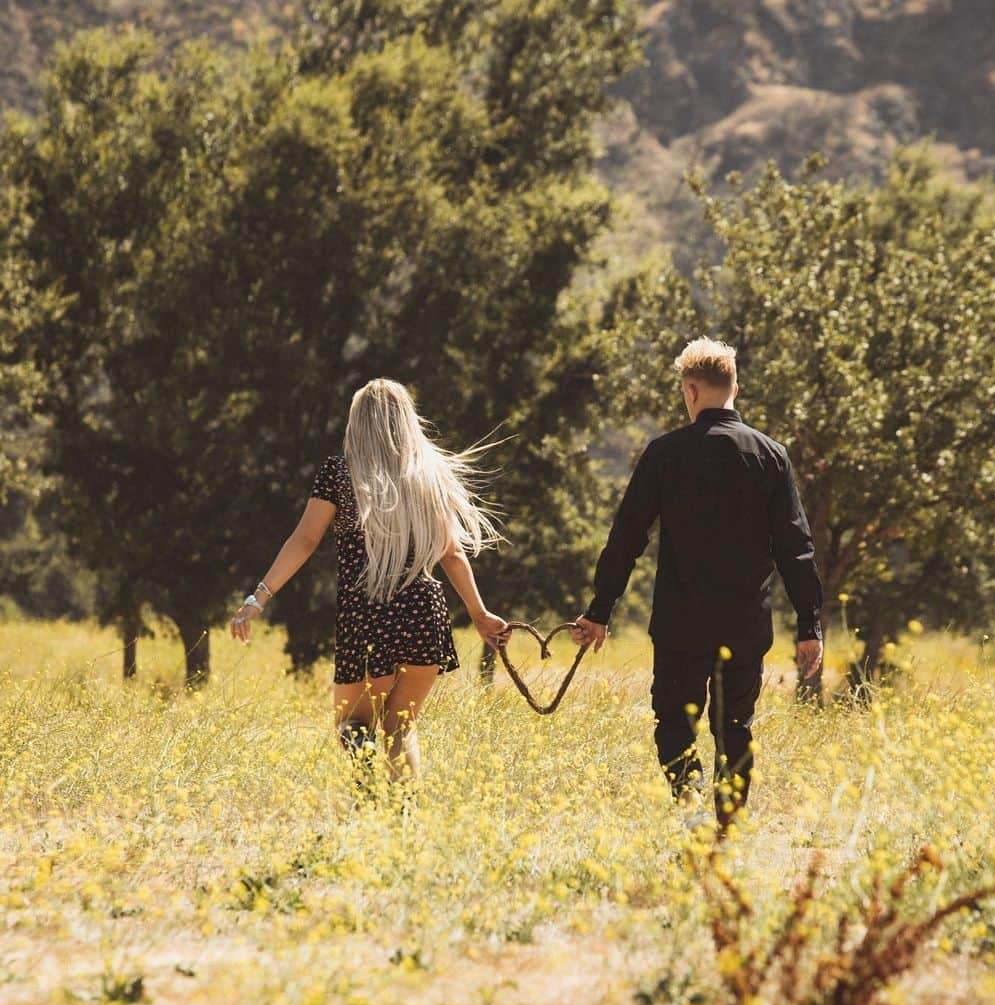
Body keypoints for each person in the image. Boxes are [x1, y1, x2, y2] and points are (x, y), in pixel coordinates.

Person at [573, 338, 823, 825]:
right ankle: (727, 830)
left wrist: (600, 610)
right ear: (735, 388)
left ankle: (690, 812)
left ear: (690, 390)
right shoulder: (771, 456)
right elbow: (797, 548)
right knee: (735, 726)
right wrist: (810, 625)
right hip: (745, 624)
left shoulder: (665, 454)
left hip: (680, 622)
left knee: (674, 722)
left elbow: (627, 538)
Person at [231, 379, 509, 781]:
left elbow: (305, 540)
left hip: (367, 614)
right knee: (400, 729)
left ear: (356, 423)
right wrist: (479, 613)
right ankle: (401, 822)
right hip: (424, 614)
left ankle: (372, 810)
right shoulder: (428, 473)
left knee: (354, 727)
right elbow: (451, 552)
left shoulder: (340, 473)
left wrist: (259, 597)